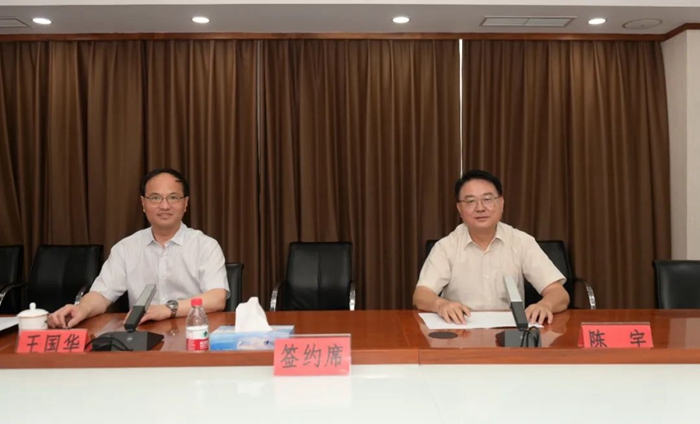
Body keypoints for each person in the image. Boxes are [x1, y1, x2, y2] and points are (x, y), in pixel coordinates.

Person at [48, 168, 228, 329]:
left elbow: (217, 298)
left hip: (193, 333)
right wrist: (82, 309)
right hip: (141, 334)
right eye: (155, 198)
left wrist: (167, 309)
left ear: (185, 203)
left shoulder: (205, 246)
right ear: (143, 203)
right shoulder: (126, 248)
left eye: (173, 197)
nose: (164, 206)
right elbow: (101, 295)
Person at [413, 169, 569, 325]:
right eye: (470, 201)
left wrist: (545, 305)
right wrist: (441, 304)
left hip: (510, 331)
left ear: (501, 203)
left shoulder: (522, 242)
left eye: (487, 199)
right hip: (460, 328)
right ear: (460, 209)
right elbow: (421, 295)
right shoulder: (446, 246)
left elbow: (559, 293)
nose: (480, 208)